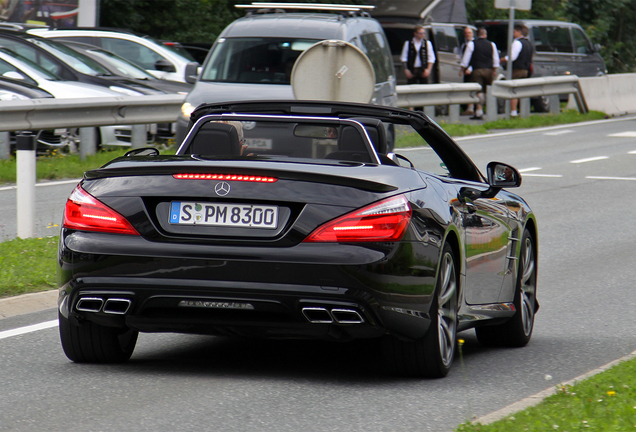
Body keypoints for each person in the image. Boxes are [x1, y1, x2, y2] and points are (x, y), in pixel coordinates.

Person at [460, 27, 500, 120]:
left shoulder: (472, 44)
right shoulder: (492, 44)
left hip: (477, 70)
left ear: (477, 35)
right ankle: (490, 111)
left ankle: (479, 111)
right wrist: (494, 70)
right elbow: (496, 60)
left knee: (478, 90)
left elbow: (466, 59)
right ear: (485, 35)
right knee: (487, 90)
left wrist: (462, 69)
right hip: (489, 70)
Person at [503, 24, 533, 117]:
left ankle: (513, 112)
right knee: (521, 91)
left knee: (514, 91)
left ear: (519, 32)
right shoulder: (528, 43)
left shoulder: (517, 43)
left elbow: (512, 57)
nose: (513, 34)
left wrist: (503, 59)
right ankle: (522, 112)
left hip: (517, 70)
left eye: (514, 32)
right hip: (526, 69)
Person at [458, 27, 475, 115]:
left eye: (469, 33)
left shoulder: (473, 44)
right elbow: (463, 58)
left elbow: (475, 57)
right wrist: (462, 69)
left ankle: (471, 107)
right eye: (466, 33)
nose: (468, 35)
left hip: (472, 69)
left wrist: (470, 68)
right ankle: (468, 107)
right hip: (466, 70)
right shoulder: (464, 45)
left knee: (471, 88)